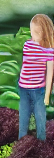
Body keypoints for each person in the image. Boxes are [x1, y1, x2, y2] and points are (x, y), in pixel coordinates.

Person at [18, 13, 54, 141]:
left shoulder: (49, 50)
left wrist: (47, 95)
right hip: (23, 88)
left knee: (40, 120)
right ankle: (21, 146)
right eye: (31, 31)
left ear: (44, 32)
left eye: (36, 32)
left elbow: (50, 73)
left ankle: (41, 148)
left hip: (38, 90)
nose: (32, 34)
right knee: (23, 119)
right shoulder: (27, 45)